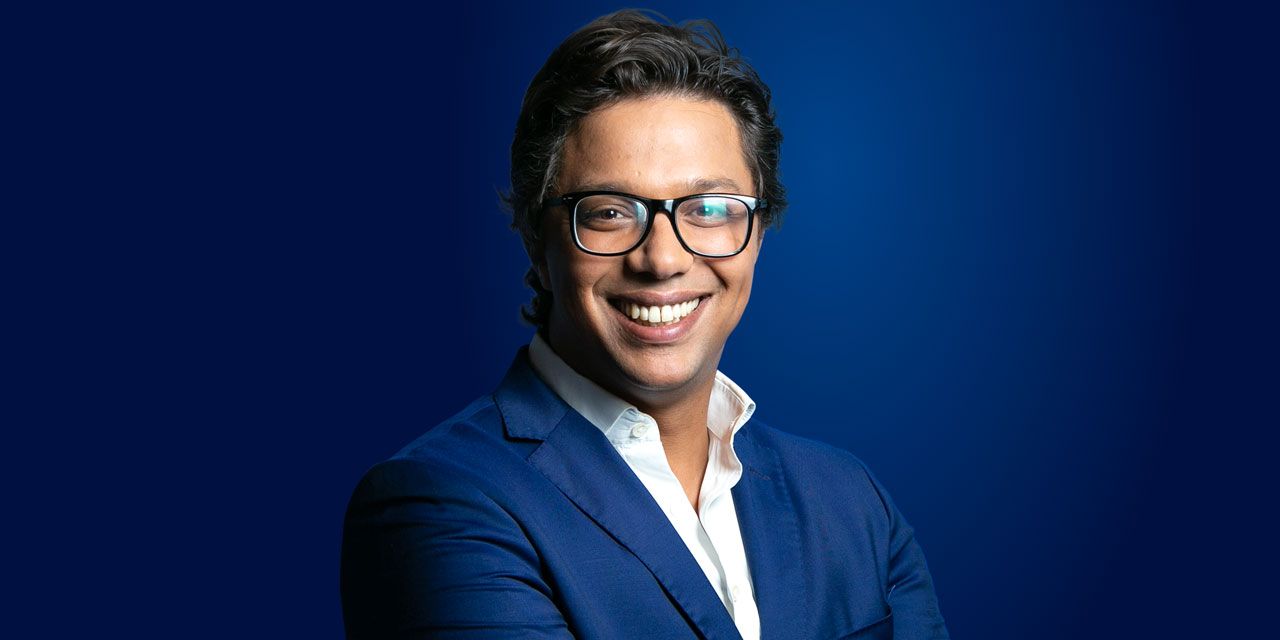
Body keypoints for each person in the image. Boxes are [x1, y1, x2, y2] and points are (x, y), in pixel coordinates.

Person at [341, 10, 949, 639]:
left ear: (758, 236)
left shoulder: (851, 501)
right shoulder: (439, 501)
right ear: (536, 242)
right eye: (609, 211)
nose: (662, 259)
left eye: (709, 208)